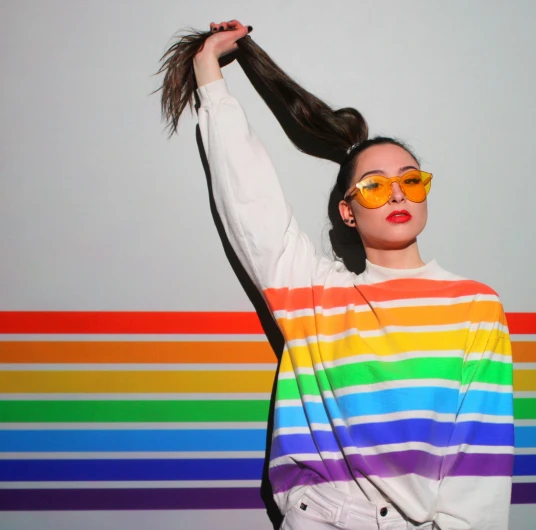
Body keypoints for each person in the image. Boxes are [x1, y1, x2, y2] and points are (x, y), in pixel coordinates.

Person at [157, 19, 514, 530]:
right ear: (348, 211)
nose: (396, 194)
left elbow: (480, 463)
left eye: (410, 181)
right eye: (373, 186)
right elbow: (251, 200)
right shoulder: (315, 294)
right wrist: (208, 72)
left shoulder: (475, 305)